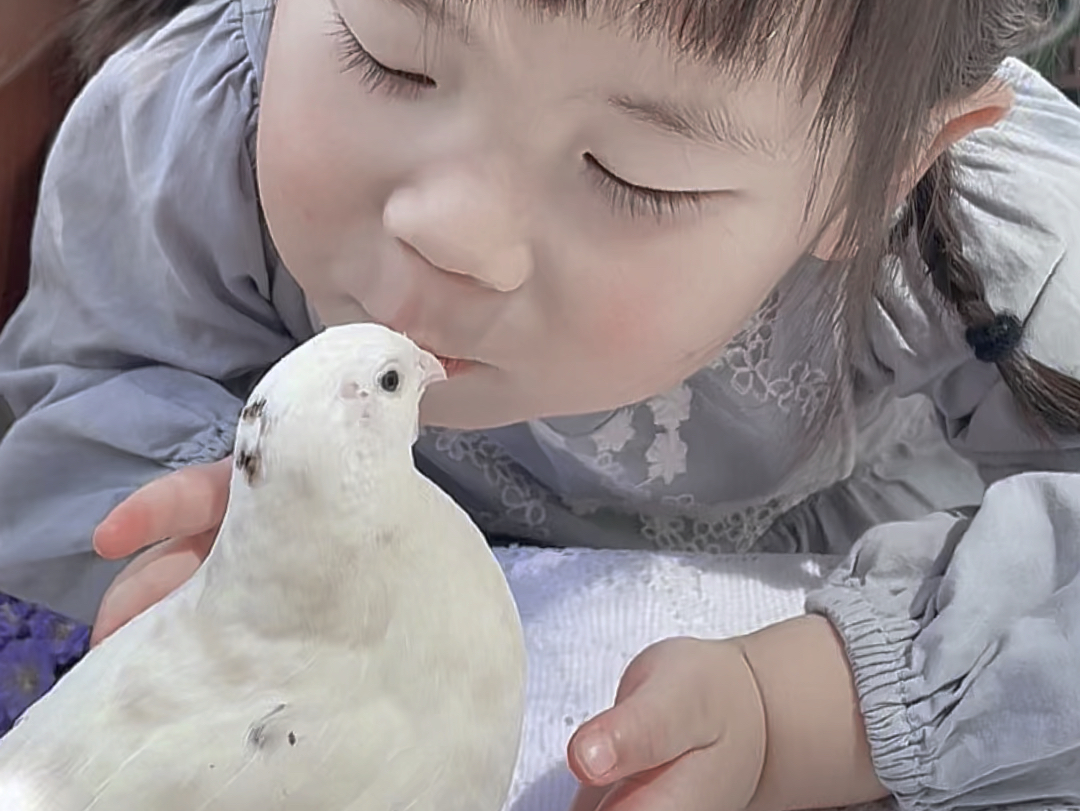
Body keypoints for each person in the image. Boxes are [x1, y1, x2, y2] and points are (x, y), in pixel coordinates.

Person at [2, 0, 1080, 807]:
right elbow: (80, 381)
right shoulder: (187, 129)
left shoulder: (991, 242)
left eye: (635, 171)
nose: (448, 229)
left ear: (884, 170)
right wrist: (212, 538)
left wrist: (823, 701)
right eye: (392, 59)